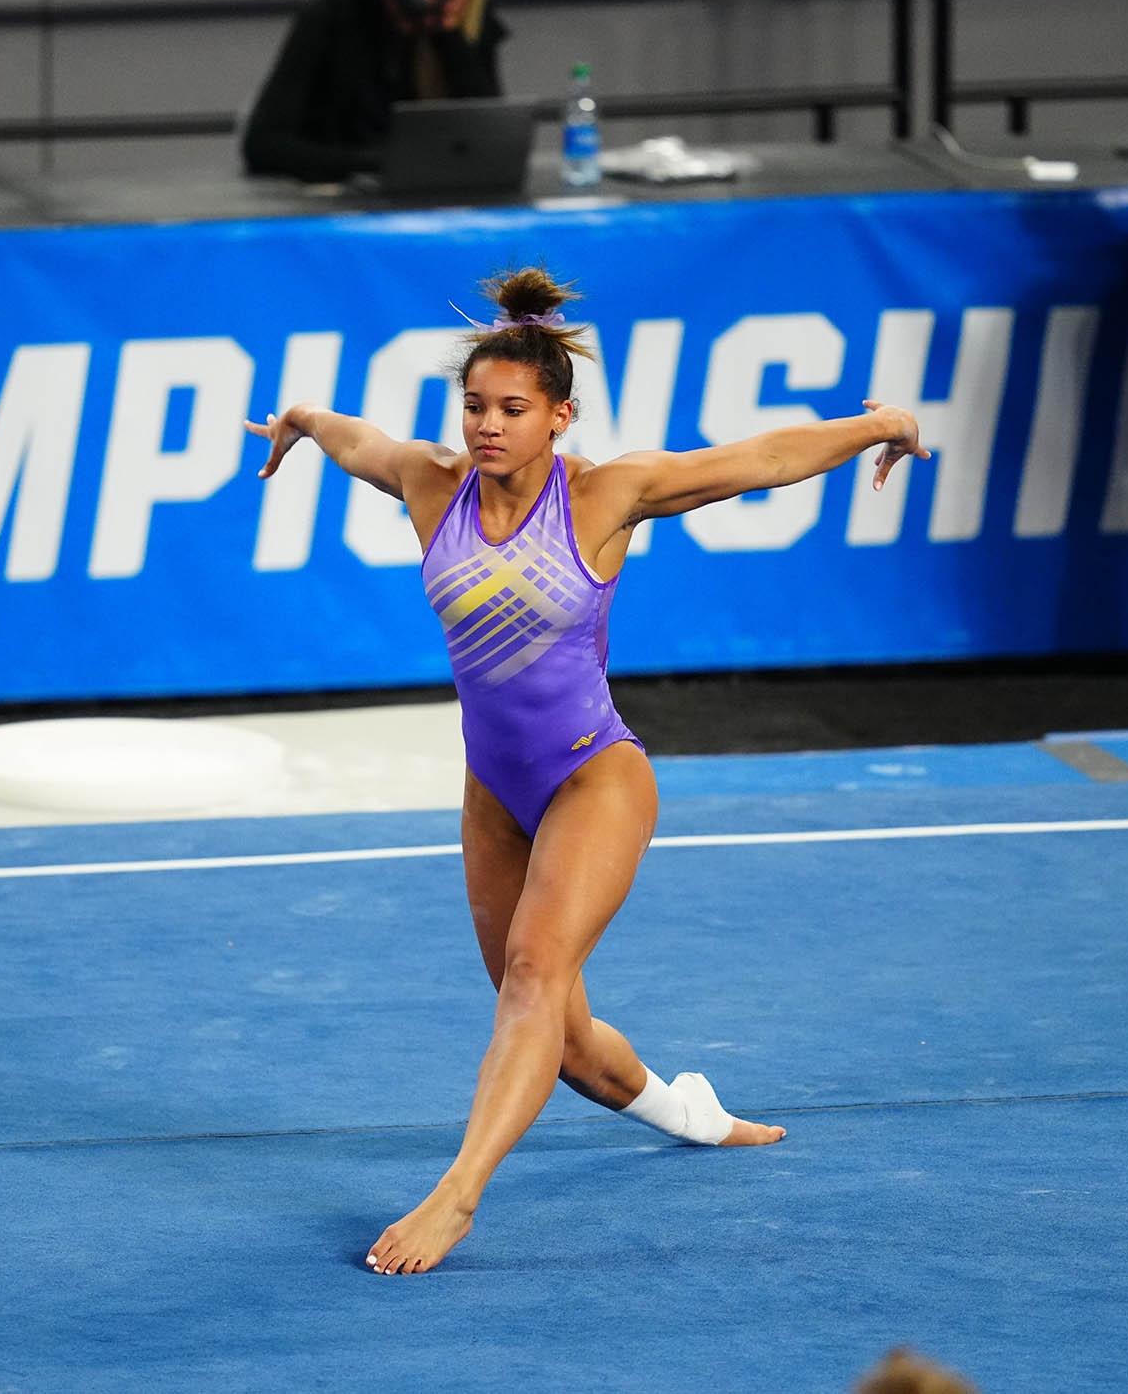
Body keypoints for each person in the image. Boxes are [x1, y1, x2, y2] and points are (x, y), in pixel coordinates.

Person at [245, 269, 928, 1274]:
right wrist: (302, 419)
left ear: (558, 416)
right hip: (493, 798)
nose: (487, 425)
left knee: (531, 973)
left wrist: (881, 425)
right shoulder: (431, 483)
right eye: (474, 405)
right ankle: (689, 1112)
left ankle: (456, 1195)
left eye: (512, 409)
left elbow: (762, 458)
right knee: (559, 1038)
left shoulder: (606, 494)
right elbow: (358, 441)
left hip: (592, 779)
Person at [240, 0, 505, 182]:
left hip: (438, 191)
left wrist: (450, 38)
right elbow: (263, 144)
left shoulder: (468, 23)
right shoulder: (337, 13)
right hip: (341, 189)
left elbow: (492, 142)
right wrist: (374, 163)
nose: (423, 6)